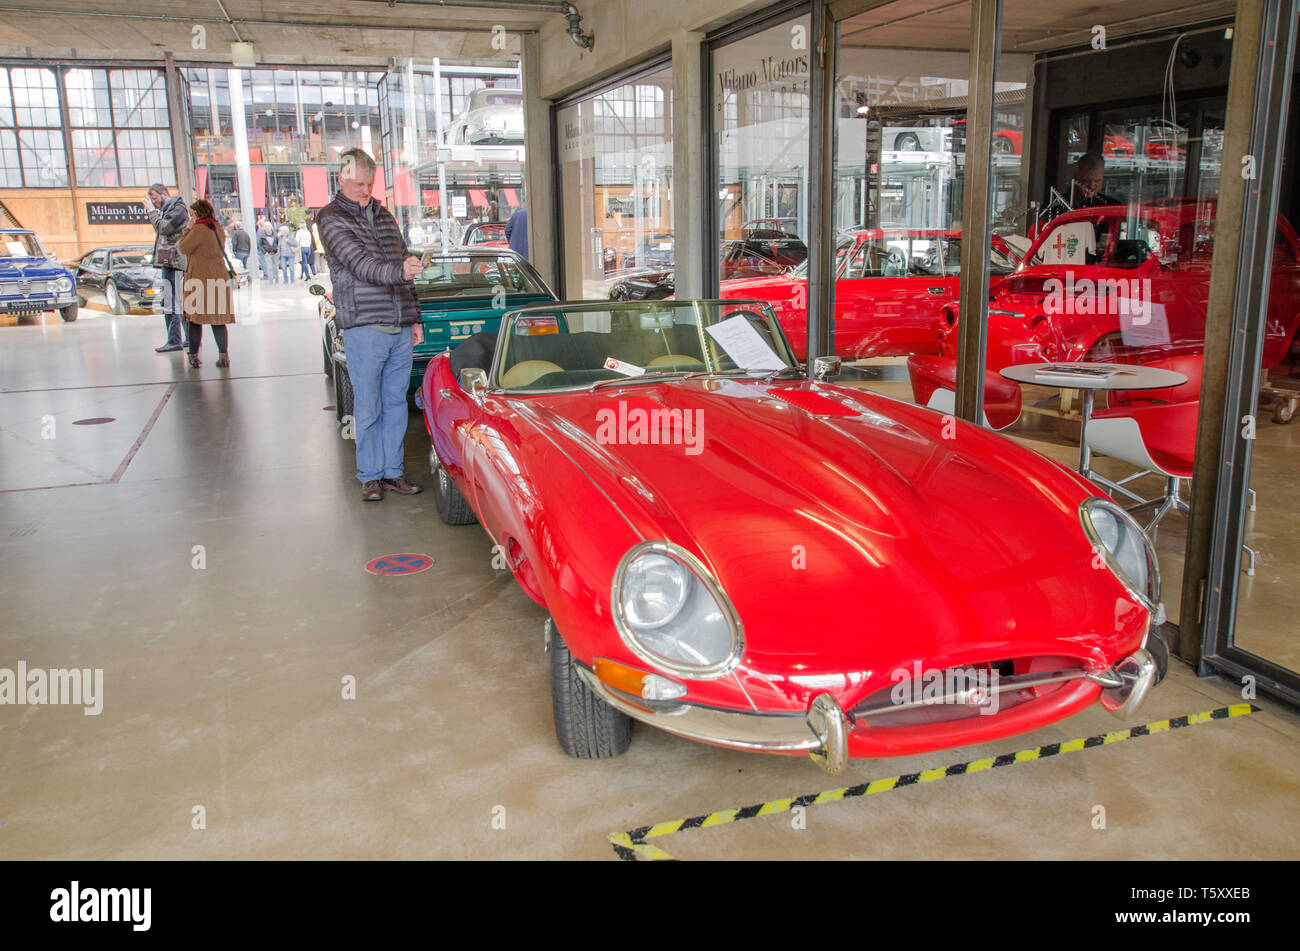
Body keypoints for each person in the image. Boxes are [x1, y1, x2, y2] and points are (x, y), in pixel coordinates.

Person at [316, 147, 424, 503]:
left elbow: (402, 262)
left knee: (396, 403)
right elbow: (361, 265)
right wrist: (400, 271)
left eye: (370, 183)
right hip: (364, 325)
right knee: (368, 405)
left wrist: (415, 316)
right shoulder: (330, 219)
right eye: (360, 184)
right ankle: (370, 476)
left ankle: (393, 472)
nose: (366, 190)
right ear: (341, 179)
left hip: (398, 324)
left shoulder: (384, 216)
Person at [177, 199, 235, 369]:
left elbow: (183, 248)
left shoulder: (199, 229)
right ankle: (224, 356)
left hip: (199, 279)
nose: (191, 217)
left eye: (192, 214)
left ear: (198, 214)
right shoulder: (217, 227)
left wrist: (187, 228)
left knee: (195, 320)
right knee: (218, 320)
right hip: (219, 278)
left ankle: (194, 357)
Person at [142, 183, 188, 352]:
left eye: (154, 198)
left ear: (163, 194)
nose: (153, 202)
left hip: (174, 262)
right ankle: (187, 338)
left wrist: (151, 211)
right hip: (171, 261)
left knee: (171, 301)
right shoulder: (172, 209)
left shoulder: (177, 209)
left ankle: (175, 339)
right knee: (174, 300)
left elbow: (163, 228)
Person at [256, 218, 279, 283]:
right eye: (266, 227)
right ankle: (271, 279)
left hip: (273, 252)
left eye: (268, 227)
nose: (267, 228)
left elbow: (277, 242)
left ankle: (273, 277)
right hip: (266, 252)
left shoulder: (274, 234)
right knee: (269, 266)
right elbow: (260, 243)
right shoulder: (264, 233)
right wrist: (264, 251)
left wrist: (277, 250)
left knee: (273, 266)